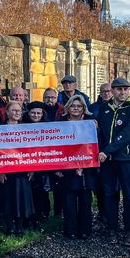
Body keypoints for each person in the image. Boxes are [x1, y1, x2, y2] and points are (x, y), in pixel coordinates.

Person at [97, 77, 130, 246]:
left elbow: (128, 135)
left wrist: (107, 151)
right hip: (107, 162)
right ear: (113, 91)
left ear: (129, 91)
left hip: (126, 159)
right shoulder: (104, 108)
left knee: (129, 196)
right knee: (109, 194)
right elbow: (101, 133)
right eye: (119, 89)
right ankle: (112, 228)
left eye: (125, 89)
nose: (122, 92)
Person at [54, 95, 97, 238]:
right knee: (69, 199)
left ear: (84, 108)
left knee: (85, 199)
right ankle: (70, 230)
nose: (76, 108)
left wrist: (97, 129)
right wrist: (58, 167)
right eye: (73, 106)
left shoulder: (91, 122)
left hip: (87, 167)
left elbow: (97, 143)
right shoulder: (61, 122)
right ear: (68, 108)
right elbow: (56, 145)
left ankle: (85, 230)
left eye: (79, 106)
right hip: (67, 166)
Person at [0, 101, 36, 236]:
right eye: (13, 110)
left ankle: (19, 227)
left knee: (21, 199)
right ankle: (9, 226)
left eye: (19, 110)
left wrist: (32, 168)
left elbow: (32, 150)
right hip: (5, 170)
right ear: (7, 112)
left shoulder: (26, 128)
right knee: (7, 198)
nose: (17, 113)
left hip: (22, 170)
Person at [26, 101, 52, 221]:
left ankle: (43, 213)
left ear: (42, 114)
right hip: (27, 163)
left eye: (38, 113)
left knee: (42, 190)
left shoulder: (47, 126)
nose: (36, 115)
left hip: (43, 163)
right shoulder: (23, 125)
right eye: (33, 113)